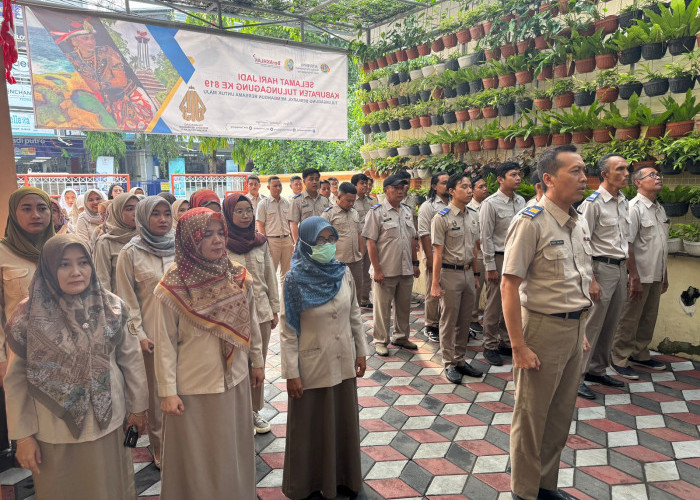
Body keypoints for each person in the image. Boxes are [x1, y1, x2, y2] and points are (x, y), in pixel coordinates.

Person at [4, 235, 148, 500]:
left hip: (110, 423)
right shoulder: (27, 316)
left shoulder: (112, 306)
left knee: (113, 488)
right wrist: (22, 437)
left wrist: (138, 408)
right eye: (64, 264)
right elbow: (15, 382)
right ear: (48, 267)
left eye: (83, 263)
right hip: (54, 431)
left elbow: (131, 362)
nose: (76, 272)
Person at [501, 145, 595, 500]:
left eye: (584, 170)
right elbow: (509, 286)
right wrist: (519, 346)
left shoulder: (577, 219)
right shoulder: (530, 221)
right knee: (530, 417)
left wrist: (580, 329)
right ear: (549, 179)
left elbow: (577, 278)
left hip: (573, 330)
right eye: (574, 171)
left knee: (558, 416)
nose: (583, 177)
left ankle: (545, 485)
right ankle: (524, 492)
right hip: (540, 329)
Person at [153, 208, 263, 500]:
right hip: (193, 390)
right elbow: (164, 342)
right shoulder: (174, 285)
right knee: (199, 459)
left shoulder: (237, 275)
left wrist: (257, 362)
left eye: (220, 233)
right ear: (190, 239)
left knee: (232, 452)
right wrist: (167, 392)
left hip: (234, 381)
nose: (217, 240)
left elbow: (251, 325)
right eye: (207, 234)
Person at [281, 217, 367, 500]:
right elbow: (288, 331)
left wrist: (361, 351)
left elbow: (354, 314)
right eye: (320, 240)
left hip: (342, 362)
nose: (327, 246)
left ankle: (344, 478)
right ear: (305, 243)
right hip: (312, 368)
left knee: (342, 424)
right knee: (311, 429)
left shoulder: (342, 273)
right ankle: (307, 484)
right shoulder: (293, 280)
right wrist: (291, 373)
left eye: (331, 239)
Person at [115, 196, 175, 469]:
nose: (163, 219)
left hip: (182, 333)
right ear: (143, 218)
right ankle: (161, 447)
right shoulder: (131, 253)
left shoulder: (180, 246)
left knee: (180, 390)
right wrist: (138, 335)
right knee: (156, 396)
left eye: (167, 214)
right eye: (156, 214)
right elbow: (126, 302)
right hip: (151, 337)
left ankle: (183, 443)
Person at [0, 188, 55, 453]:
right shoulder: (3, 253)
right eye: (27, 208)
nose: (36, 214)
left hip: (64, 353)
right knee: (28, 427)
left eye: (42, 208)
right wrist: (1, 358)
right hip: (20, 354)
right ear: (14, 212)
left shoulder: (63, 249)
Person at [223, 194, 279, 435]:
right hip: (231, 316)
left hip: (262, 312)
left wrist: (275, 309)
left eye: (248, 211)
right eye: (239, 211)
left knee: (258, 362)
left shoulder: (260, 241)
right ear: (228, 214)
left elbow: (270, 276)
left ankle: (254, 410)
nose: (245, 216)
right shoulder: (221, 242)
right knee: (234, 364)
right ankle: (235, 411)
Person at [576, 155, 630, 400]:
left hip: (619, 268)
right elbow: (582, 243)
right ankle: (576, 376)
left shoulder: (623, 201)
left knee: (611, 322)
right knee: (592, 323)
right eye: (620, 169)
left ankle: (596, 370)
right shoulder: (592, 203)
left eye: (627, 169)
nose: (626, 173)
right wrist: (591, 279)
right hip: (600, 268)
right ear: (605, 174)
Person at [611, 167, 669, 379]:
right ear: (638, 183)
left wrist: (665, 275)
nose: (658, 178)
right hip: (639, 275)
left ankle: (640, 353)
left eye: (657, 174)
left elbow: (661, 244)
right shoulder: (634, 208)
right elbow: (627, 245)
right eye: (651, 175)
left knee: (648, 317)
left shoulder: (659, 208)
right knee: (629, 318)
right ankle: (619, 358)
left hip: (656, 273)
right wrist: (633, 276)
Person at [430, 173, 484, 384]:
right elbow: (437, 253)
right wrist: (435, 283)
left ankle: (460, 360)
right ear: (451, 191)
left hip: (468, 273)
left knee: (465, 320)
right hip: (449, 274)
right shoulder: (441, 217)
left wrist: (476, 275)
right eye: (464, 187)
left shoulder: (473, 215)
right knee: (448, 320)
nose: (469, 190)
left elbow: (475, 249)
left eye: (470, 186)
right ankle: (449, 363)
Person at [362, 174, 420, 357]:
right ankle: (381, 340)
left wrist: (415, 262)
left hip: (405, 269)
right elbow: (370, 242)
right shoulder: (376, 212)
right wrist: (377, 269)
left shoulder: (407, 211)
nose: (400, 191)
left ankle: (401, 337)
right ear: (386, 190)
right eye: (396, 187)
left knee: (403, 306)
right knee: (382, 308)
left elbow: (412, 238)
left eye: (402, 187)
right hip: (385, 270)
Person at [479, 162, 525, 366]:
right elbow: (485, 236)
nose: (518, 178)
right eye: (513, 175)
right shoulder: (490, 203)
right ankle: (489, 345)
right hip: (498, 257)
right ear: (500, 179)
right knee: (494, 303)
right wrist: (489, 266)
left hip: (517, 258)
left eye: (519, 174)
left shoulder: (521, 201)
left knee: (513, 301)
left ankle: (506, 342)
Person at [417, 172, 450, 343]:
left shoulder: (454, 203)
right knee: (433, 290)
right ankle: (431, 325)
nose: (447, 185)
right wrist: (429, 259)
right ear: (434, 186)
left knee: (447, 291)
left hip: (450, 257)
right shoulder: (428, 206)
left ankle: (446, 323)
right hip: (432, 254)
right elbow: (424, 234)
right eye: (443, 183)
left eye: (449, 182)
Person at [322, 182, 363, 300]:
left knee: (356, 292)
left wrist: (361, 253)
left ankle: (355, 317)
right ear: (339, 197)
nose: (351, 203)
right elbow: (323, 240)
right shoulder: (328, 214)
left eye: (353, 201)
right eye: (348, 200)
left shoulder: (354, 212)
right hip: (337, 261)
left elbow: (359, 233)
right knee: (340, 294)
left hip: (355, 260)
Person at [93, 193, 139, 292]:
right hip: (120, 303)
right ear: (117, 212)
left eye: (139, 208)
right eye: (129, 209)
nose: (136, 213)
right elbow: (102, 281)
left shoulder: (144, 237)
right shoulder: (105, 243)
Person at [257, 176, 293, 286]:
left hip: (287, 240)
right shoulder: (263, 204)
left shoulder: (286, 202)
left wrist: (291, 241)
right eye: (275, 186)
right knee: (271, 275)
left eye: (280, 185)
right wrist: (265, 244)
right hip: (272, 242)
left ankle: (285, 301)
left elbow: (290, 223)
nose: (278, 188)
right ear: (268, 187)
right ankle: (274, 301)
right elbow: (260, 225)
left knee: (287, 274)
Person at [467, 175, 489, 336]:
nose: (485, 189)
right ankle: (473, 319)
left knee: (494, 291)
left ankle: (490, 320)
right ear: (473, 190)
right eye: (480, 187)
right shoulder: (469, 209)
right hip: (478, 255)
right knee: (476, 289)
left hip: (492, 254)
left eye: (485, 186)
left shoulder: (490, 205)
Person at [289, 168, 330, 244]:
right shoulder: (297, 201)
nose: (314, 182)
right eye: (311, 179)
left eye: (317, 179)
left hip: (323, 241)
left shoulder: (324, 200)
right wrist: (297, 243)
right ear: (304, 181)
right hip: (306, 241)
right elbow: (293, 224)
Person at [351, 173, 373, 308]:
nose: (365, 186)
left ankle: (365, 299)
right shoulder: (350, 201)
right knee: (356, 270)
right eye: (362, 183)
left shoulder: (372, 201)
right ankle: (355, 300)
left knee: (367, 270)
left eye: (366, 183)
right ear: (355, 185)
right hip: (356, 239)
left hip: (370, 239)